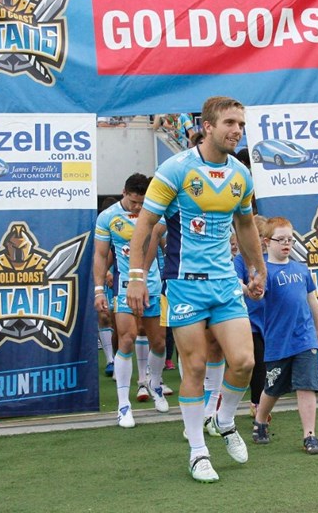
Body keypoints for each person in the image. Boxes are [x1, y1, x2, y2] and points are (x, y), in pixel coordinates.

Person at [126, 96, 266, 483]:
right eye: (230, 123)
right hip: (185, 287)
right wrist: (136, 276)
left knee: (244, 361)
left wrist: (258, 268)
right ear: (208, 126)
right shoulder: (175, 169)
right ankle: (197, 452)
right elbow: (145, 226)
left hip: (225, 284)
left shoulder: (241, 174)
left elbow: (247, 226)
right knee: (196, 366)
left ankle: (222, 420)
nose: (237, 130)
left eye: (241, 123)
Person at [94, 173, 169, 428]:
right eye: (134, 202)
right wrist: (98, 290)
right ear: (124, 192)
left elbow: (160, 246)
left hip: (154, 284)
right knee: (125, 339)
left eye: (142, 202)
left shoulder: (156, 212)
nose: (138, 207)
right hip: (125, 285)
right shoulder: (108, 217)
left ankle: (155, 384)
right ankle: (123, 405)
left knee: (159, 342)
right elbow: (101, 255)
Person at [251, 217, 318, 453]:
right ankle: (261, 419)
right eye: (280, 239)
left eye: (290, 239)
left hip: (305, 338)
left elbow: (312, 299)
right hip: (278, 340)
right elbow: (258, 296)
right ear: (266, 241)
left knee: (307, 385)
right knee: (273, 388)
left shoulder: (301, 269)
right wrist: (255, 289)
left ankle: (310, 435)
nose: (286, 244)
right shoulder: (264, 270)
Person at [234, 215, 268, 419]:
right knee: (256, 363)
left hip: (269, 320)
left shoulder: (270, 260)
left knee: (268, 363)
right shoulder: (239, 260)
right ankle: (256, 403)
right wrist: (249, 289)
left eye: (265, 237)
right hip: (249, 321)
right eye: (258, 236)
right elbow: (236, 281)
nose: (262, 241)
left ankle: (263, 399)